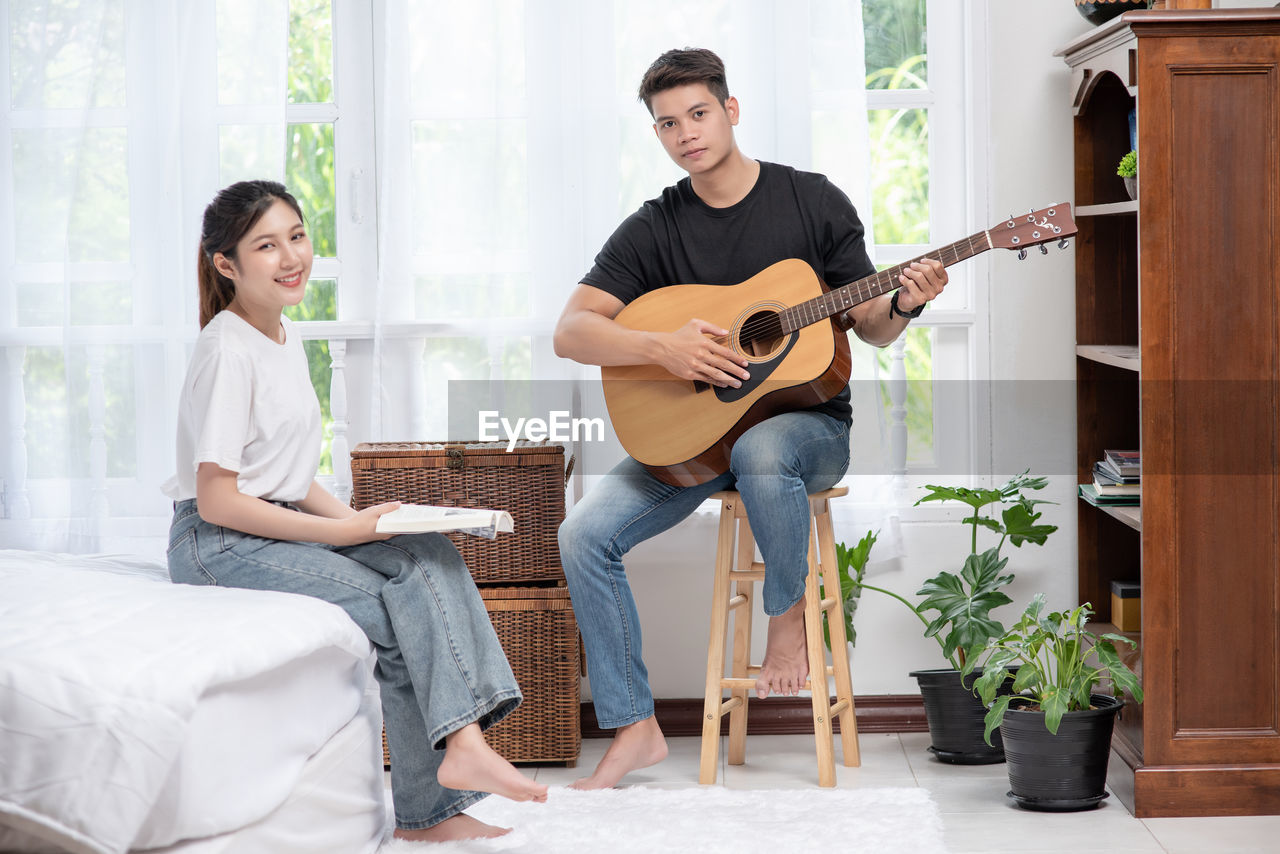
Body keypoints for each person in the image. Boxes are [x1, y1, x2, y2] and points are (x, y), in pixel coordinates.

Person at [553, 48, 949, 790]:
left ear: (730, 111)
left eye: (698, 114)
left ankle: (788, 619)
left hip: (808, 432)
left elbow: (870, 323)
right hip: (700, 442)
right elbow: (570, 332)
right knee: (582, 535)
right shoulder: (655, 227)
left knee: (766, 446)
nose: (685, 134)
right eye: (667, 123)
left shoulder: (811, 202)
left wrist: (904, 300)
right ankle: (634, 726)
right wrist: (662, 348)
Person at [164, 180, 547, 843]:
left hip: (267, 519)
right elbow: (218, 497)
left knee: (427, 553)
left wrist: (366, 523)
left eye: (298, 236)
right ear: (226, 265)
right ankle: (439, 793)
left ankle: (458, 756)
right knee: (399, 609)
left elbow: (285, 472)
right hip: (218, 540)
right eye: (266, 245)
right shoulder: (228, 348)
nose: (291, 257)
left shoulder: (285, 334)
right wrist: (344, 532)